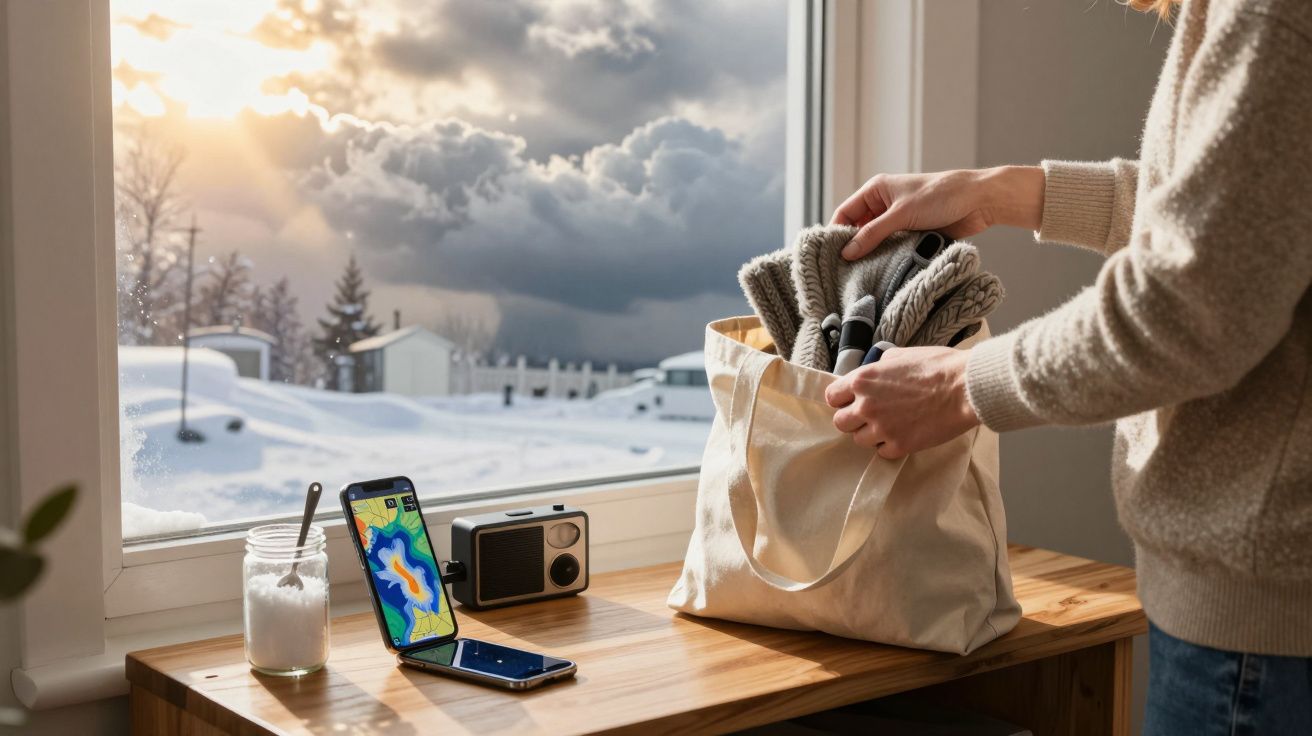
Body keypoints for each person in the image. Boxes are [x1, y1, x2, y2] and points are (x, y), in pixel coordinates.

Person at [822, 0, 1311, 732]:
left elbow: (1192, 306)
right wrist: (999, 191)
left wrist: (960, 383)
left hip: (1266, 632)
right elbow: (1248, 207)